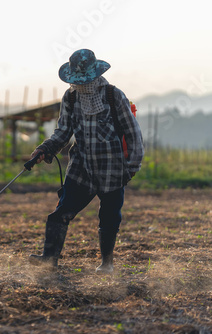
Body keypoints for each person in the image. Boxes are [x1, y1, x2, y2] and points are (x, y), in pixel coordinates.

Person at [29, 49, 144, 273]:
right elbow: (63, 132)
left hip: (112, 168)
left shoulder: (113, 95)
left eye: (85, 80)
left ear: (95, 75)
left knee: (110, 217)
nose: (81, 85)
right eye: (77, 80)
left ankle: (107, 263)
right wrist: (46, 148)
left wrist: (131, 167)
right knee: (61, 212)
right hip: (81, 166)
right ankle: (49, 259)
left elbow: (133, 133)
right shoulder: (70, 97)